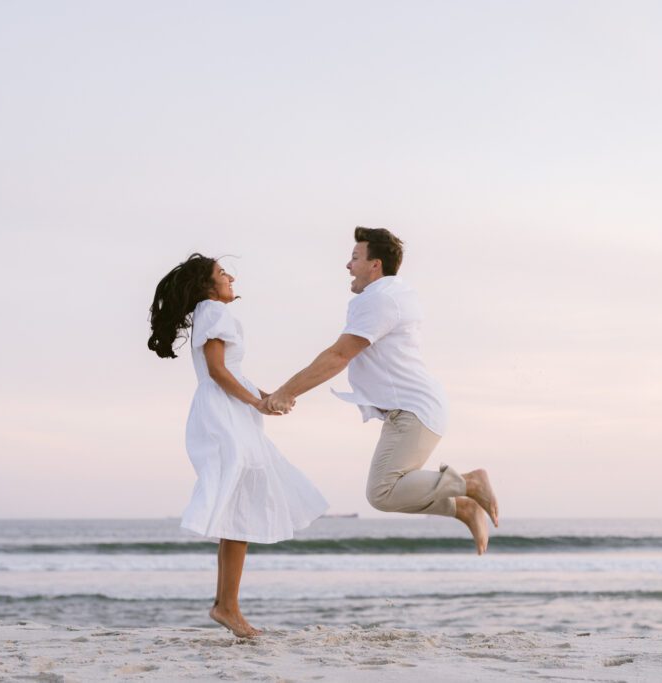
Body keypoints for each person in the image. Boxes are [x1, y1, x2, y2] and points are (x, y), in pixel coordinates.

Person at [266, 228, 498, 554]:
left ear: (375, 265)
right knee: (388, 493)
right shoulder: (392, 294)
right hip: (416, 409)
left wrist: (286, 392)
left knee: (382, 492)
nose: (348, 266)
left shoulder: (381, 299)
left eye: (355, 258)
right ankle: (462, 506)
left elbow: (339, 355)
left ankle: (469, 486)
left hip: (413, 410)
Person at [148, 254, 328, 638]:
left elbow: (234, 373)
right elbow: (217, 371)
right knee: (239, 501)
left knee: (241, 505)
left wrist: (267, 397)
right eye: (222, 273)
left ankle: (226, 606)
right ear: (208, 286)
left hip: (227, 410)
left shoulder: (209, 312)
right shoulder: (214, 311)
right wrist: (255, 402)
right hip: (224, 413)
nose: (231, 277)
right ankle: (226, 606)